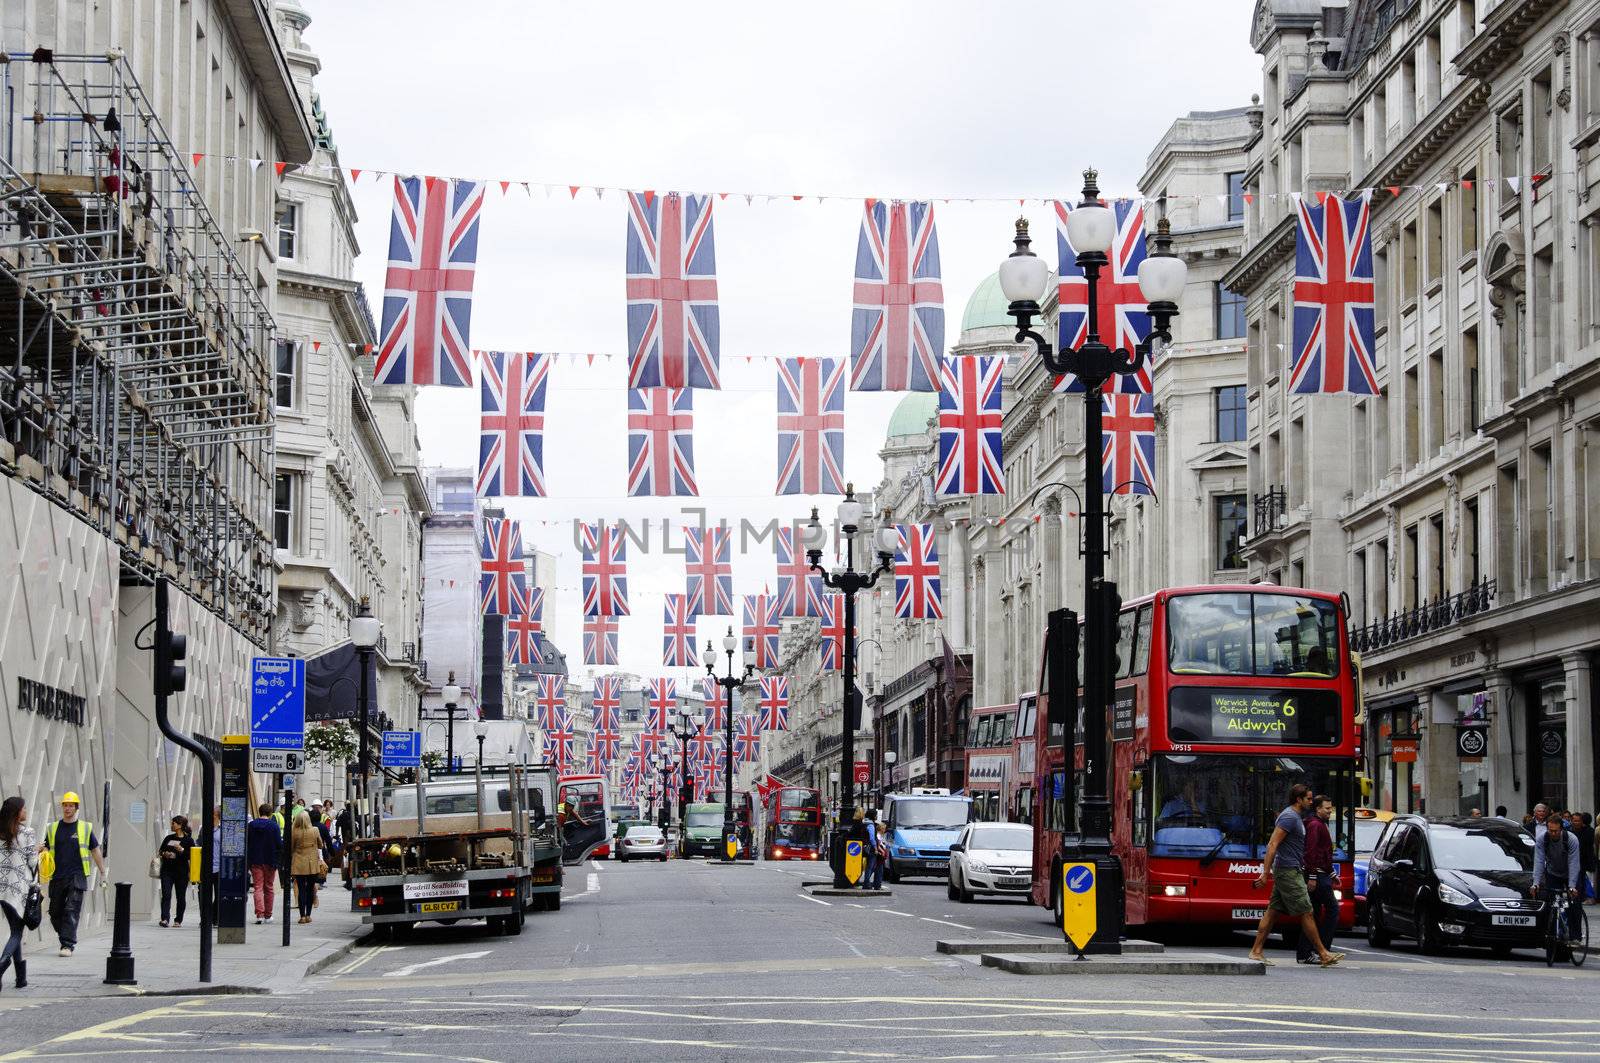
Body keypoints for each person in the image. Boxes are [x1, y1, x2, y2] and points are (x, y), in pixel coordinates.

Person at [1247, 783, 1342, 967]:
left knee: (1273, 912)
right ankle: (1323, 953)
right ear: (1298, 800)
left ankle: (1256, 951)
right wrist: (1265, 873)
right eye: (1308, 798)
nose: (1311, 801)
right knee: (1307, 911)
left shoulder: (1297, 817)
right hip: (1288, 871)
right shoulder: (1289, 817)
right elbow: (1272, 844)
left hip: (1290, 870)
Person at [39, 792, 105, 956]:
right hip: (57, 875)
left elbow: (95, 850)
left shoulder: (85, 827)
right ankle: (66, 936)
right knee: (55, 912)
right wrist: (42, 850)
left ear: (76, 808)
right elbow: (47, 848)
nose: (67, 808)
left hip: (77, 875)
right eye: (65, 805)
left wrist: (103, 871)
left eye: (71, 805)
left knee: (71, 909)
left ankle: (67, 945)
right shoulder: (53, 827)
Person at [0, 797, 37, 991]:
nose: (26, 811)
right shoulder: (27, 832)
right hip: (20, 889)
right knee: (16, 932)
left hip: (2, 890)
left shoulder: (1, 832)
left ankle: (20, 979)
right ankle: (2, 965)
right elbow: (33, 862)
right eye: (24, 809)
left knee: (16, 929)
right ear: (17, 813)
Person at [1296, 795, 1338, 965]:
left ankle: (1306, 953)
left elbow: (1322, 854)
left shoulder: (1316, 824)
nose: (1330, 811)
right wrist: (1313, 876)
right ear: (1318, 809)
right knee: (1332, 910)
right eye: (1327, 808)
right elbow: (1311, 853)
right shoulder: (1315, 825)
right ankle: (1322, 950)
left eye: (1330, 808)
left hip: (1320, 874)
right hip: (1317, 876)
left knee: (1311, 914)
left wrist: (1333, 875)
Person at [1531, 810, 1581, 941]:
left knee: (1574, 902)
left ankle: (1575, 936)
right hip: (1553, 872)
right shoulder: (1542, 838)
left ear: (1561, 829)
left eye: (1556, 831)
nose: (1553, 834)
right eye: (1550, 830)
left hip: (1570, 872)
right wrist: (1535, 883)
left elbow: (1574, 862)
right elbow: (1539, 861)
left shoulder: (1571, 839)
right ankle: (1552, 934)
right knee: (1550, 903)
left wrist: (1571, 886)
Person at [156, 816, 194, 927]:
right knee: (166, 894)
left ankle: (178, 920)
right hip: (167, 870)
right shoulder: (168, 838)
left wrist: (181, 850)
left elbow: (192, 856)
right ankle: (165, 919)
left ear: (180, 825)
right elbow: (161, 851)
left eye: (174, 823)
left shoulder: (188, 840)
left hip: (181, 872)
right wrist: (165, 854)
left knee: (180, 896)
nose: (172, 825)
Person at [246, 804, 280, 924]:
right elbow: (278, 844)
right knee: (269, 888)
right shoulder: (274, 826)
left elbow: (248, 843)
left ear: (259, 812)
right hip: (270, 860)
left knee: (258, 887)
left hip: (255, 860)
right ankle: (268, 915)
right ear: (270, 813)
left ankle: (259, 914)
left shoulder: (251, 825)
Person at [290, 808, 321, 924]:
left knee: (301, 889)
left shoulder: (294, 831)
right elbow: (321, 845)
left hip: (298, 863)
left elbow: (291, 848)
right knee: (310, 889)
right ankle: (308, 915)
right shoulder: (315, 830)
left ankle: (302, 916)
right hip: (312, 863)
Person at [1571, 812, 1598, 904]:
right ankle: (1581, 896)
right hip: (1575, 860)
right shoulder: (1569, 831)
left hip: (1586, 859)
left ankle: (1590, 897)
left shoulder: (1589, 831)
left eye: (1578, 821)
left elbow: (1589, 846)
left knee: (1587, 880)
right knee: (1580, 879)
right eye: (1574, 821)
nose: (1576, 823)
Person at [864, 809, 884, 890]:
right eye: (875, 815)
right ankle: (866, 883)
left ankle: (867, 882)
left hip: (866, 847)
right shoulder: (871, 825)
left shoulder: (865, 823)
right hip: (871, 848)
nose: (876, 816)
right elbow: (872, 838)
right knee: (870, 867)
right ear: (872, 816)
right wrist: (875, 848)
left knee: (870, 867)